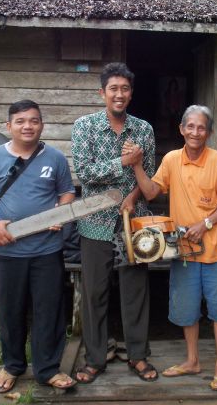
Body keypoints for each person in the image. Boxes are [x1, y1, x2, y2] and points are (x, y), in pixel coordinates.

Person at [130, 104, 217, 392]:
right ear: (181, 129)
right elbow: (152, 192)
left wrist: (205, 223)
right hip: (183, 250)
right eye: (189, 126)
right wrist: (137, 166)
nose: (195, 132)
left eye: (201, 127)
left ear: (209, 132)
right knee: (186, 308)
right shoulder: (171, 160)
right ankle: (192, 360)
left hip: (216, 251)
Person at [0, 99, 77, 393]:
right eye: (20, 121)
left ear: (41, 124)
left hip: (47, 250)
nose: (27, 126)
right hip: (7, 251)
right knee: (10, 311)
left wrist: (59, 212)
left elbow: (67, 193)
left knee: (49, 311)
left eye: (34, 120)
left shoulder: (54, 158)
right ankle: (13, 365)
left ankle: (48, 369)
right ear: (9, 126)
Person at [71, 62, 158, 383]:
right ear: (102, 93)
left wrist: (133, 196)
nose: (119, 94)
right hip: (95, 221)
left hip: (133, 221)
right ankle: (95, 358)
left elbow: (149, 172)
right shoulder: (85, 127)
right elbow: (85, 172)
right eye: (113, 89)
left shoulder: (144, 129)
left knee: (136, 290)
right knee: (95, 292)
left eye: (124, 89)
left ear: (130, 93)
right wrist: (123, 161)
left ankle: (138, 356)